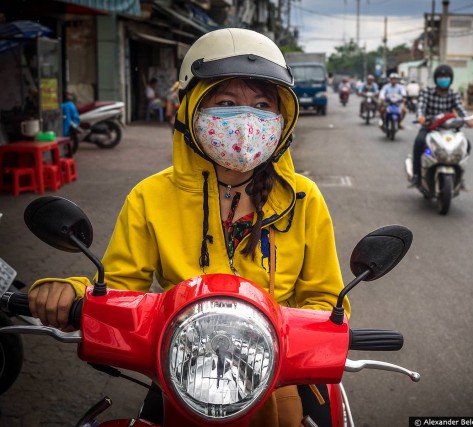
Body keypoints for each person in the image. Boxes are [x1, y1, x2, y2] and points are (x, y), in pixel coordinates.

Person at [27, 28, 350, 425]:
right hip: (181, 374)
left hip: (277, 375)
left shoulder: (303, 199)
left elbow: (325, 301)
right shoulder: (150, 196)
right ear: (190, 110)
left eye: (263, 104)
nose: (247, 121)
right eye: (227, 103)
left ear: (282, 117)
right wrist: (73, 291)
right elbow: (118, 287)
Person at [410, 64, 473, 187]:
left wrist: (467, 119)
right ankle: (416, 175)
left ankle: (460, 176)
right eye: (440, 76)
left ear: (451, 79)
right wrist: (420, 117)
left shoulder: (453, 94)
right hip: (429, 127)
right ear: (435, 79)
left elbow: (460, 109)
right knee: (419, 142)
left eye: (446, 76)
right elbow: (420, 106)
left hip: (449, 129)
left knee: (466, 145)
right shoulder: (427, 92)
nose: (443, 79)